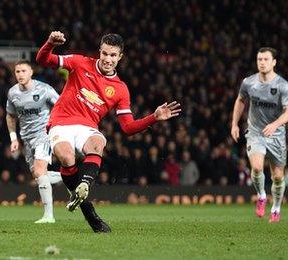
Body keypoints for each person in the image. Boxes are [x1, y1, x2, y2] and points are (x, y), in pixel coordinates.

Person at [36, 31, 181, 232]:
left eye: (113, 55)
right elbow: (43, 60)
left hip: (87, 127)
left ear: (120, 57)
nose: (108, 59)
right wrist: (50, 43)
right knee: (67, 157)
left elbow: (128, 128)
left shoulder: (120, 89)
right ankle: (91, 214)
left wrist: (153, 117)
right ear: (100, 52)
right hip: (61, 122)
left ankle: (83, 185)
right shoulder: (79, 63)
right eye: (105, 54)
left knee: (98, 142)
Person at [231, 47, 288, 223]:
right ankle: (261, 196)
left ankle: (276, 208)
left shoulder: (282, 85)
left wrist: (275, 124)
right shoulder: (249, 82)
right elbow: (240, 100)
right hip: (256, 132)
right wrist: (234, 124)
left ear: (274, 62)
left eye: (266, 59)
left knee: (278, 177)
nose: (262, 62)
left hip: (276, 135)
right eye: (259, 59)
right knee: (257, 167)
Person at [5, 60, 63, 223]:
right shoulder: (12, 93)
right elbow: (10, 116)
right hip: (27, 138)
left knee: (39, 170)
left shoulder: (44, 89)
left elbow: (60, 106)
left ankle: (49, 216)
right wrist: (13, 138)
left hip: (44, 135)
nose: (20, 74)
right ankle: (68, 176)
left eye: (23, 71)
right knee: (39, 175)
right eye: (17, 72)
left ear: (31, 72)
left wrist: (56, 128)